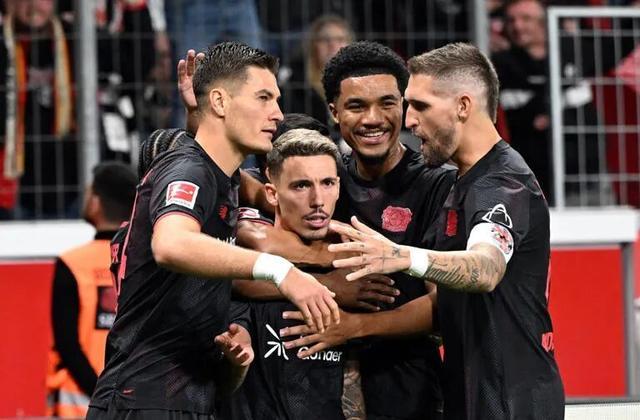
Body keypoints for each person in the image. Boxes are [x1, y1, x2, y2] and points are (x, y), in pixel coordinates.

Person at [283, 43, 565, 420]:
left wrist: (400, 256)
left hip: (510, 398)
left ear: (462, 106)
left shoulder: (501, 184)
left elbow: (486, 268)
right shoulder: (468, 181)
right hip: (474, 389)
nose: (410, 120)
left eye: (419, 106)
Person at [87, 42, 339, 420]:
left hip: (186, 401)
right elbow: (172, 243)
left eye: (277, 99)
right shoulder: (189, 170)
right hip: (144, 403)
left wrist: (234, 362)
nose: (277, 113)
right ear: (220, 102)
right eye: (264, 98)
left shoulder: (222, 178)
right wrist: (281, 271)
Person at [241, 41, 455, 420]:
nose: (373, 119)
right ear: (334, 111)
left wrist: (356, 326)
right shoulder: (324, 176)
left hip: (407, 390)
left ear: (404, 106)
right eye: (357, 106)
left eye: (387, 103)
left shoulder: (437, 185)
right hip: (315, 389)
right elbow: (246, 257)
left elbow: (446, 308)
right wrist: (329, 280)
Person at [231, 128, 363, 420]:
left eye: (327, 183)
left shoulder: (355, 267)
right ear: (272, 194)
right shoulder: (239, 257)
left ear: (339, 187)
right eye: (301, 186)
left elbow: (356, 376)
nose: (318, 200)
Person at [46, 162, 137, 418]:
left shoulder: (72, 263)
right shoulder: (145, 260)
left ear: (96, 203)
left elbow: (67, 345)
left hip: (78, 405)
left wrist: (100, 394)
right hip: (131, 401)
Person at [0, 0, 77, 219]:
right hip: (12, 183)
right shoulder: (2, 41)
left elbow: (134, 64)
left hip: (69, 180)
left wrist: (135, 9)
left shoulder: (75, 37)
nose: (34, 5)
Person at [281, 15, 354, 133]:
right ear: (313, 45)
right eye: (325, 39)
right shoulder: (296, 86)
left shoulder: (360, 82)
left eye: (340, 39)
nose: (332, 45)